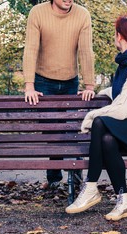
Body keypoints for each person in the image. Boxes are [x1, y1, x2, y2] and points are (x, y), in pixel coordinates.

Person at [65, 14, 127, 221]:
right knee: (107, 139)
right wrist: (99, 93)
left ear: (119, 36)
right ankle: (122, 201)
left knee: (100, 121)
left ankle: (91, 186)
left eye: (115, 33)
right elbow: (124, 92)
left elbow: (123, 109)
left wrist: (90, 116)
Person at [23, 0, 95, 189]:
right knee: (52, 132)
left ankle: (76, 172)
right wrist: (29, 85)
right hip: (43, 81)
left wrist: (89, 85)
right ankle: (54, 176)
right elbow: (30, 49)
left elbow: (86, 51)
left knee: (71, 130)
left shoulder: (82, 15)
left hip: (71, 81)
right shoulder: (37, 12)